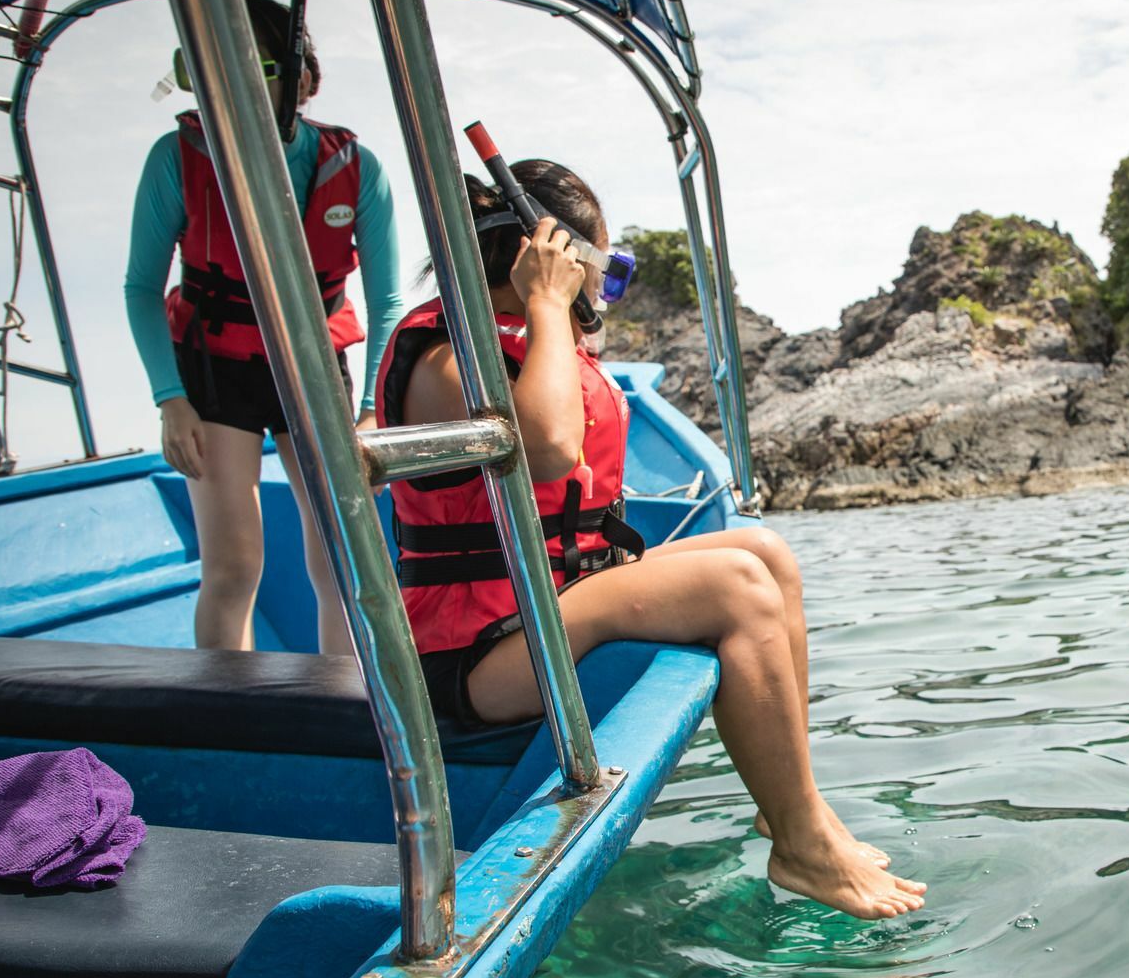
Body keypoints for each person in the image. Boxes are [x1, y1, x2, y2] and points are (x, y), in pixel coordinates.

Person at [377, 163, 925, 921]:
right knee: (735, 591)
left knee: (764, 554)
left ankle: (794, 806)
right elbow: (550, 450)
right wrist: (546, 305)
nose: (600, 295)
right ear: (551, 261)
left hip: (544, 608)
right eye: (606, 272)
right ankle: (802, 849)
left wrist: (543, 316)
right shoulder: (446, 361)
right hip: (474, 660)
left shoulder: (524, 346)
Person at [124, 0, 403, 653]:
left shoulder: (356, 169)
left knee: (344, 558)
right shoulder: (176, 158)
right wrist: (170, 401)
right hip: (214, 373)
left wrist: (370, 411)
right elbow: (141, 286)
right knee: (233, 565)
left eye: (258, 62)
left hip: (313, 371)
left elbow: (388, 300)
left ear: (301, 75)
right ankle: (229, 721)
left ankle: (350, 708)